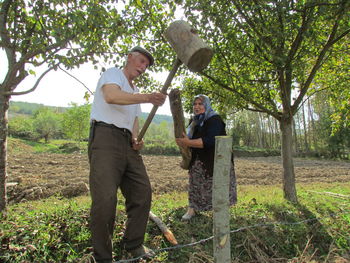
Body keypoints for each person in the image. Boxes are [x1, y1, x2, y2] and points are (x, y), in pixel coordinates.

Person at [88, 46, 166, 263]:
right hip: (105, 138)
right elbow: (112, 97)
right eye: (141, 61)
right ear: (129, 58)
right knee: (105, 199)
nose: (143, 67)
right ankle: (103, 257)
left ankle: (133, 244)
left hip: (126, 145)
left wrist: (136, 139)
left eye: (146, 66)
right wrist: (148, 97)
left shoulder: (133, 92)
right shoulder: (114, 74)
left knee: (142, 192)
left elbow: (133, 121)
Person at [175, 94, 237, 220]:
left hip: (216, 161)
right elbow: (189, 138)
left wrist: (187, 142)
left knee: (218, 186)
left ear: (207, 105)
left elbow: (209, 141)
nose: (197, 107)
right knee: (195, 185)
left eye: (200, 104)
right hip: (199, 161)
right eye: (195, 104)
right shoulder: (195, 122)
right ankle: (192, 210)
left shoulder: (215, 120)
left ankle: (219, 213)